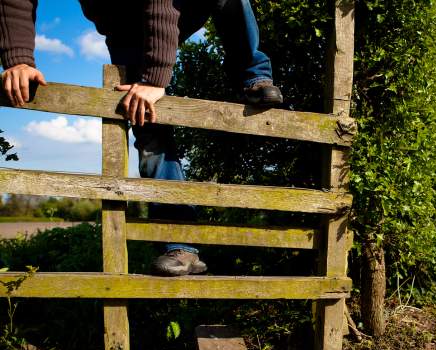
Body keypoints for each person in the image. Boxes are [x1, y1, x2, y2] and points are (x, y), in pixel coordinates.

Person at [0, 0, 284, 276]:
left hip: (181, 4)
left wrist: (154, 80)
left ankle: (253, 73)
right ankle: (181, 245)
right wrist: (18, 58)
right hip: (123, 27)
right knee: (145, 121)